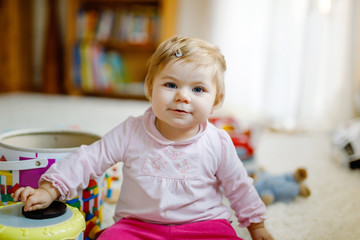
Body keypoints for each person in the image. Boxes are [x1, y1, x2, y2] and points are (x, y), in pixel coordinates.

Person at [12, 36, 274, 240]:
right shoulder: (131, 131)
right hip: (137, 227)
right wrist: (50, 189)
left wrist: (256, 225)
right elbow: (89, 158)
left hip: (203, 226)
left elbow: (239, 187)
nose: (183, 96)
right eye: (170, 85)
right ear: (150, 88)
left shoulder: (218, 142)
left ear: (215, 100)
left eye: (198, 89)